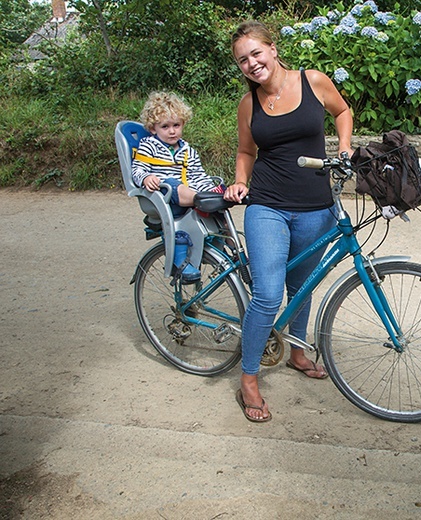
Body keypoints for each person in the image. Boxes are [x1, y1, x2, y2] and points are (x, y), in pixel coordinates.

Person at [224, 21, 353, 423]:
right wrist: (240, 180)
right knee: (267, 294)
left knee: (302, 286)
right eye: (243, 60)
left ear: (273, 50)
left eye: (255, 54)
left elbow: (343, 111)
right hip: (267, 205)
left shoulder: (313, 81)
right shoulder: (249, 104)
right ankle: (248, 378)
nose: (251, 63)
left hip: (316, 206)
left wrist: (345, 148)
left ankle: (297, 351)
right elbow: (246, 151)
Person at [132, 91, 226, 281]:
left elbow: (197, 174)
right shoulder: (148, 145)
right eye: (165, 127)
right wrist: (146, 177)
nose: (172, 131)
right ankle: (181, 260)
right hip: (164, 195)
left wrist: (208, 188)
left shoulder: (187, 150)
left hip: (186, 193)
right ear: (153, 128)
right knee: (174, 185)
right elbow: (137, 169)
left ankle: (224, 244)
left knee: (216, 199)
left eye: (176, 125)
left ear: (183, 124)